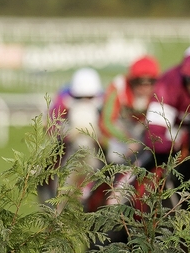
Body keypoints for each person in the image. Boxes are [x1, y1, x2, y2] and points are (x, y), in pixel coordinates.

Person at [44, 67, 104, 203]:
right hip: (68, 145)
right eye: (80, 97)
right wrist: (67, 133)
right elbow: (50, 125)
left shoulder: (104, 98)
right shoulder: (63, 97)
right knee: (45, 169)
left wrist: (100, 135)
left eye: (89, 97)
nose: (85, 101)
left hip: (96, 146)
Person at [99, 55, 160, 165]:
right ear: (131, 80)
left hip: (146, 129)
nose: (144, 87)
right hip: (123, 131)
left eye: (150, 81)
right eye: (139, 82)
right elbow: (107, 122)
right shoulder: (119, 87)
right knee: (116, 155)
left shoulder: (161, 89)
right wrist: (127, 140)